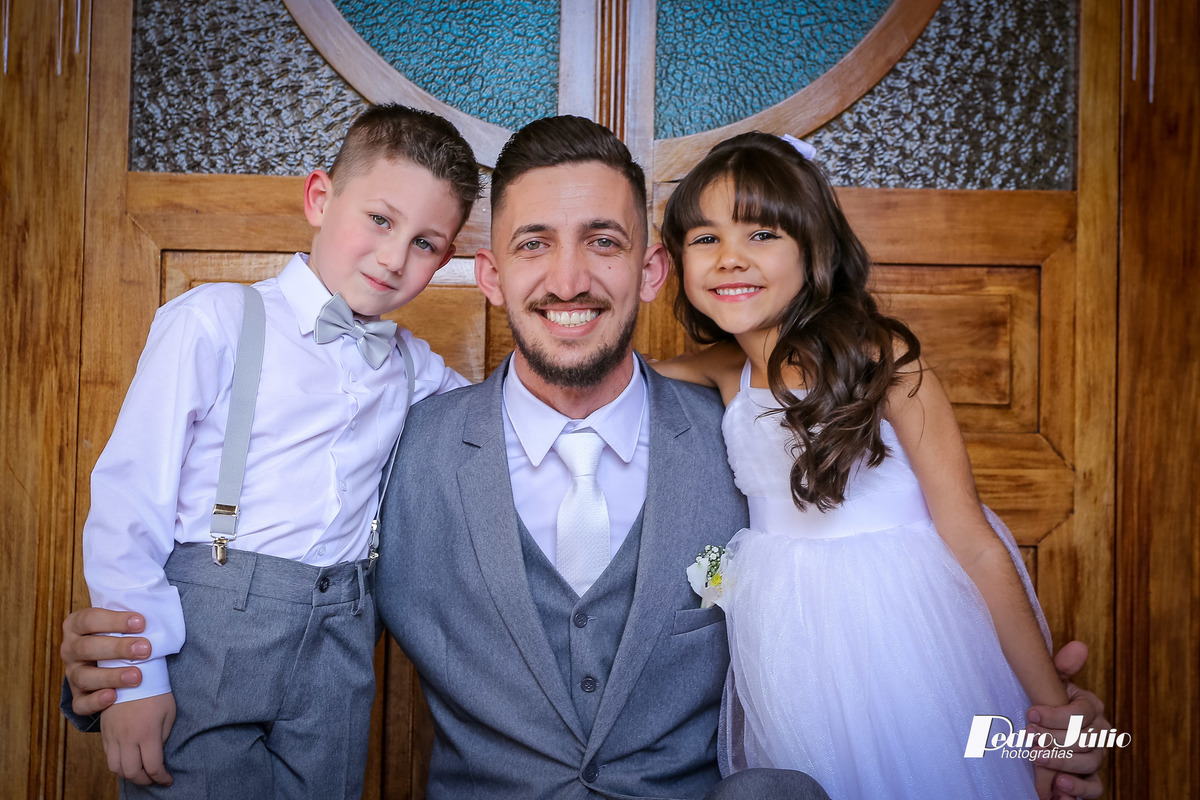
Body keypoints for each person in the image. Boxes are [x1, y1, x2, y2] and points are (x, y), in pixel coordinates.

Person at [62, 116, 1110, 799]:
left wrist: (1055, 739)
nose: (568, 279)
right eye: (533, 245)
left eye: (603, 241)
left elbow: (893, 663)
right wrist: (121, 659)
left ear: (651, 270)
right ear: (487, 275)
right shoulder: (409, 434)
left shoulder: (750, 443)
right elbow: (291, 582)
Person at [73, 103, 481, 798]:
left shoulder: (413, 367)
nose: (393, 258)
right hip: (208, 634)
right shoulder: (216, 321)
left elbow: (504, 419)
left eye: (425, 243)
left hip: (341, 646)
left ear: (446, 259)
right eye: (380, 220)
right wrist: (135, 678)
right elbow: (127, 502)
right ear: (320, 198)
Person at [653, 132, 1074, 799]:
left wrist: (1059, 724)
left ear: (814, 248)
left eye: (761, 234)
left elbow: (973, 540)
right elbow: (615, 382)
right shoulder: (719, 372)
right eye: (705, 239)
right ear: (676, 261)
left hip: (902, 628)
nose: (730, 257)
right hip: (787, 643)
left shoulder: (884, 362)